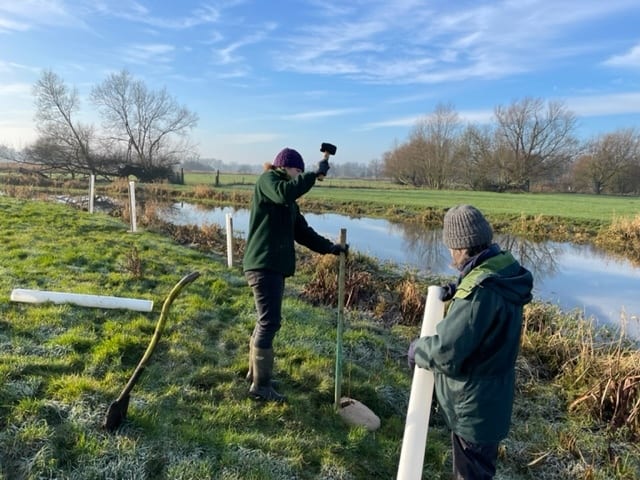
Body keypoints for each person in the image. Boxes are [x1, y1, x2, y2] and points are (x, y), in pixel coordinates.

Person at [408, 204, 533, 479]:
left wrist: (417, 350)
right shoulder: (503, 270)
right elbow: (481, 300)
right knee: (480, 467)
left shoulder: (480, 293)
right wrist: (459, 288)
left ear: (462, 247)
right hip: (493, 397)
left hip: (473, 404)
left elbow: (446, 351)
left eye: (451, 248)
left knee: (470, 473)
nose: (451, 257)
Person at [242, 147, 347, 402]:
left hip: (273, 266)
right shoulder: (269, 182)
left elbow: (303, 232)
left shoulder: (288, 202)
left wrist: (330, 248)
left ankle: (255, 375)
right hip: (263, 264)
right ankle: (261, 387)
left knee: (265, 321)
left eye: (301, 171)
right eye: (296, 170)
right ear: (283, 167)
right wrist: (313, 174)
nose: (298, 174)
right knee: (270, 322)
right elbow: (286, 191)